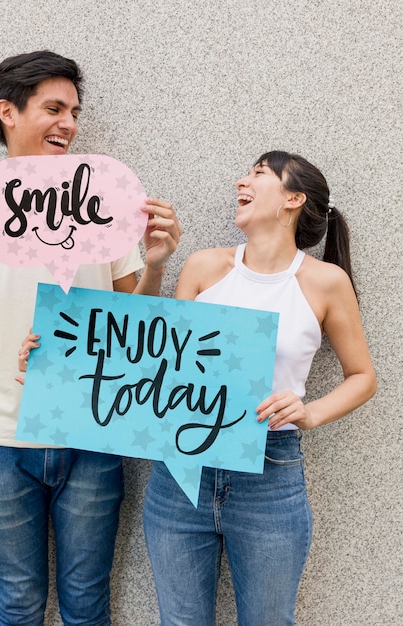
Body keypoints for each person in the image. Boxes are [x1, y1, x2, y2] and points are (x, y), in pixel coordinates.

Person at [0, 50, 181, 626]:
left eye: (74, 110)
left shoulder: (107, 200)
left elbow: (132, 332)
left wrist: (155, 266)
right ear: (8, 112)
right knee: (18, 604)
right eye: (53, 108)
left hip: (92, 435)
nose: (69, 123)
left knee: (86, 606)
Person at [142, 150, 377, 626]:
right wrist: (51, 364)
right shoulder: (203, 267)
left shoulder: (325, 283)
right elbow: (155, 359)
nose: (240, 183)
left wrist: (308, 412)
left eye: (258, 174)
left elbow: (363, 377)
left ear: (293, 199)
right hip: (180, 469)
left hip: (271, 471)